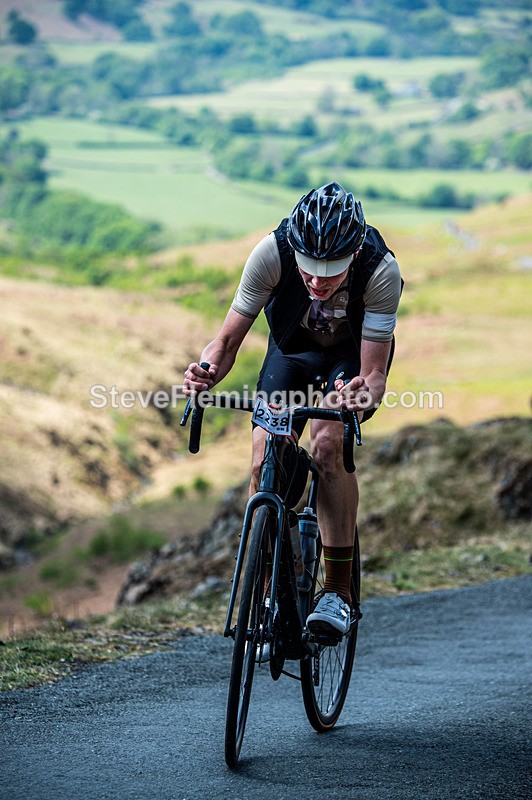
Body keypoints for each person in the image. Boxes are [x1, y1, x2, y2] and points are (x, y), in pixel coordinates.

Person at [183, 182, 402, 639]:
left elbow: (375, 375)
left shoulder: (380, 270)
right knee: (265, 453)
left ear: (354, 253)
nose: (318, 282)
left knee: (327, 442)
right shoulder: (270, 253)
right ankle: (266, 592)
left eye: (333, 272)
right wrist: (205, 372)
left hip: (349, 362)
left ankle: (337, 592)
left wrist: (361, 395)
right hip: (291, 354)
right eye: (309, 270)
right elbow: (224, 344)